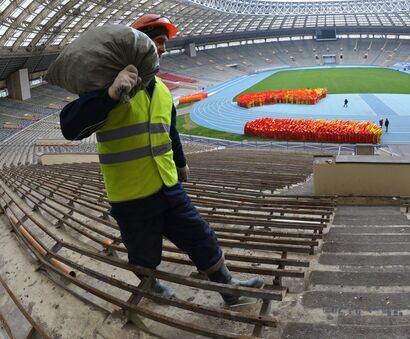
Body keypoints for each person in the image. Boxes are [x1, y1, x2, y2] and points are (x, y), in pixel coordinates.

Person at [59, 14, 263, 305]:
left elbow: (170, 133)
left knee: (201, 236)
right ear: (138, 47)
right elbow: (70, 128)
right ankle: (151, 286)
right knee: (143, 252)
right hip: (131, 193)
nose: (164, 49)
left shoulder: (164, 91)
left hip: (168, 185)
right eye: (159, 42)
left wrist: (180, 163)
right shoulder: (109, 87)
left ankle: (228, 288)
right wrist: (108, 97)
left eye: (165, 43)